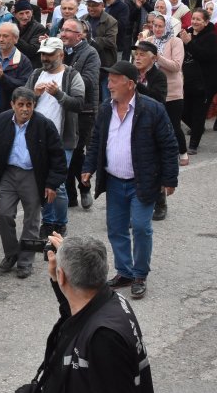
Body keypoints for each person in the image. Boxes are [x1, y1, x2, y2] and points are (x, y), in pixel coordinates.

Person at [10, 234, 155, 393]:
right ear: (105, 268)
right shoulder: (109, 301)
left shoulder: (103, 337)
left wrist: (64, 269)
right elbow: (76, 315)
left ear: (62, 276)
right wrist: (60, 276)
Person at [81, 60, 178, 300]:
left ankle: (139, 275)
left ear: (130, 84)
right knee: (116, 228)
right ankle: (124, 272)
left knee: (142, 227)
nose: (109, 85)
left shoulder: (152, 109)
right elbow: (96, 141)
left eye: (114, 80)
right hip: (114, 180)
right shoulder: (106, 109)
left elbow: (169, 145)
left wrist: (170, 179)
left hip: (142, 181)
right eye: (109, 80)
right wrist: (88, 168)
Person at [0, 87, 67, 279]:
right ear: (12, 105)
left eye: (29, 105)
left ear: (34, 105)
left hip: (33, 175)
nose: (25, 109)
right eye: (20, 105)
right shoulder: (3, 120)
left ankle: (26, 262)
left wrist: (51, 184)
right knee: (2, 213)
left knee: (32, 220)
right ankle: (12, 253)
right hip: (8, 173)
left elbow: (58, 157)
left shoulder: (44, 124)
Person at [26, 37, 84, 235]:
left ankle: (60, 222)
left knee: (57, 184)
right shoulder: (36, 74)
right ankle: (48, 221)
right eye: (43, 54)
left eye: (49, 54)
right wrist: (33, 95)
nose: (45, 58)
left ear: (61, 54)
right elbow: (22, 100)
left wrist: (58, 94)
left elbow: (79, 104)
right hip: (37, 138)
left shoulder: (72, 75)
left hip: (62, 140)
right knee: (42, 182)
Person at [59, 18, 100, 210]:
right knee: (64, 150)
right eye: (62, 29)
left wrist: (62, 80)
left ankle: (84, 187)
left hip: (84, 111)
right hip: (62, 107)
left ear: (79, 35)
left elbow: (89, 81)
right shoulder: (59, 50)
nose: (63, 34)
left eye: (68, 30)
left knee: (75, 151)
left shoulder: (90, 53)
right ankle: (70, 195)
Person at [145, 14, 188, 167]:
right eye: (155, 25)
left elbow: (176, 66)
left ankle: (182, 152)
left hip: (172, 90)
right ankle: (160, 154)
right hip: (153, 89)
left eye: (160, 26)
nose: (157, 29)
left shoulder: (175, 41)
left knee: (173, 125)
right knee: (153, 125)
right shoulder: (149, 41)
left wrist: (158, 57)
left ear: (167, 27)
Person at [181, 8, 217, 154]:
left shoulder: (211, 36)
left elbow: (205, 56)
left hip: (205, 83)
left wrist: (189, 43)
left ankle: (193, 144)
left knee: (199, 113)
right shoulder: (188, 33)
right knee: (183, 110)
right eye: (193, 18)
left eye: (198, 19)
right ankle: (197, 128)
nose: (195, 22)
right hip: (188, 81)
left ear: (206, 22)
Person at [0, 21, 33, 114]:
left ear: (15, 39)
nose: (1, 39)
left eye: (5, 36)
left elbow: (24, 88)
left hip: (10, 114)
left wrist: (2, 77)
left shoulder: (23, 61)